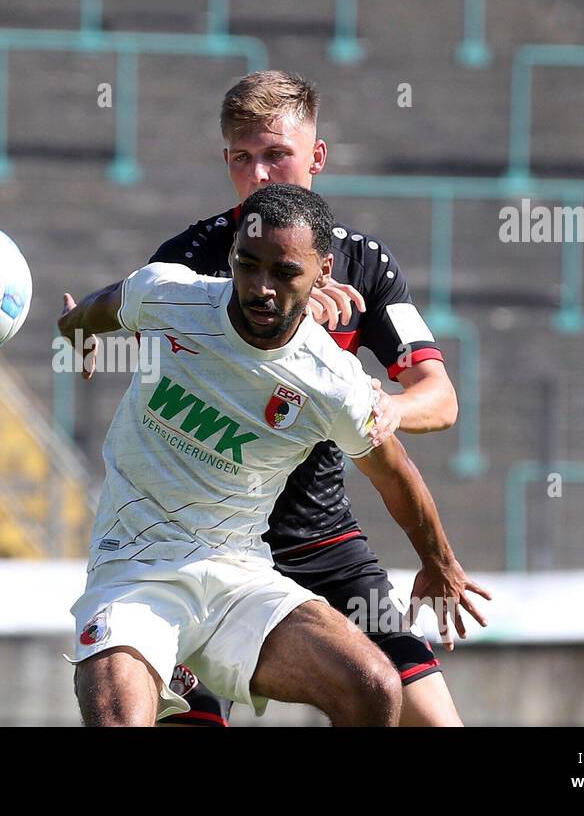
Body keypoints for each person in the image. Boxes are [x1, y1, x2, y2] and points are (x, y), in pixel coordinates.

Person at [82, 70, 489, 726]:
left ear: (316, 157)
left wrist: (381, 409)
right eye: (243, 158)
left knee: (429, 719)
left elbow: (440, 397)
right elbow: (149, 364)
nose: (260, 173)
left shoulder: (363, 264)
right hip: (198, 545)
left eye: (277, 154)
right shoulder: (191, 261)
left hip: (318, 541)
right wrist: (88, 340)